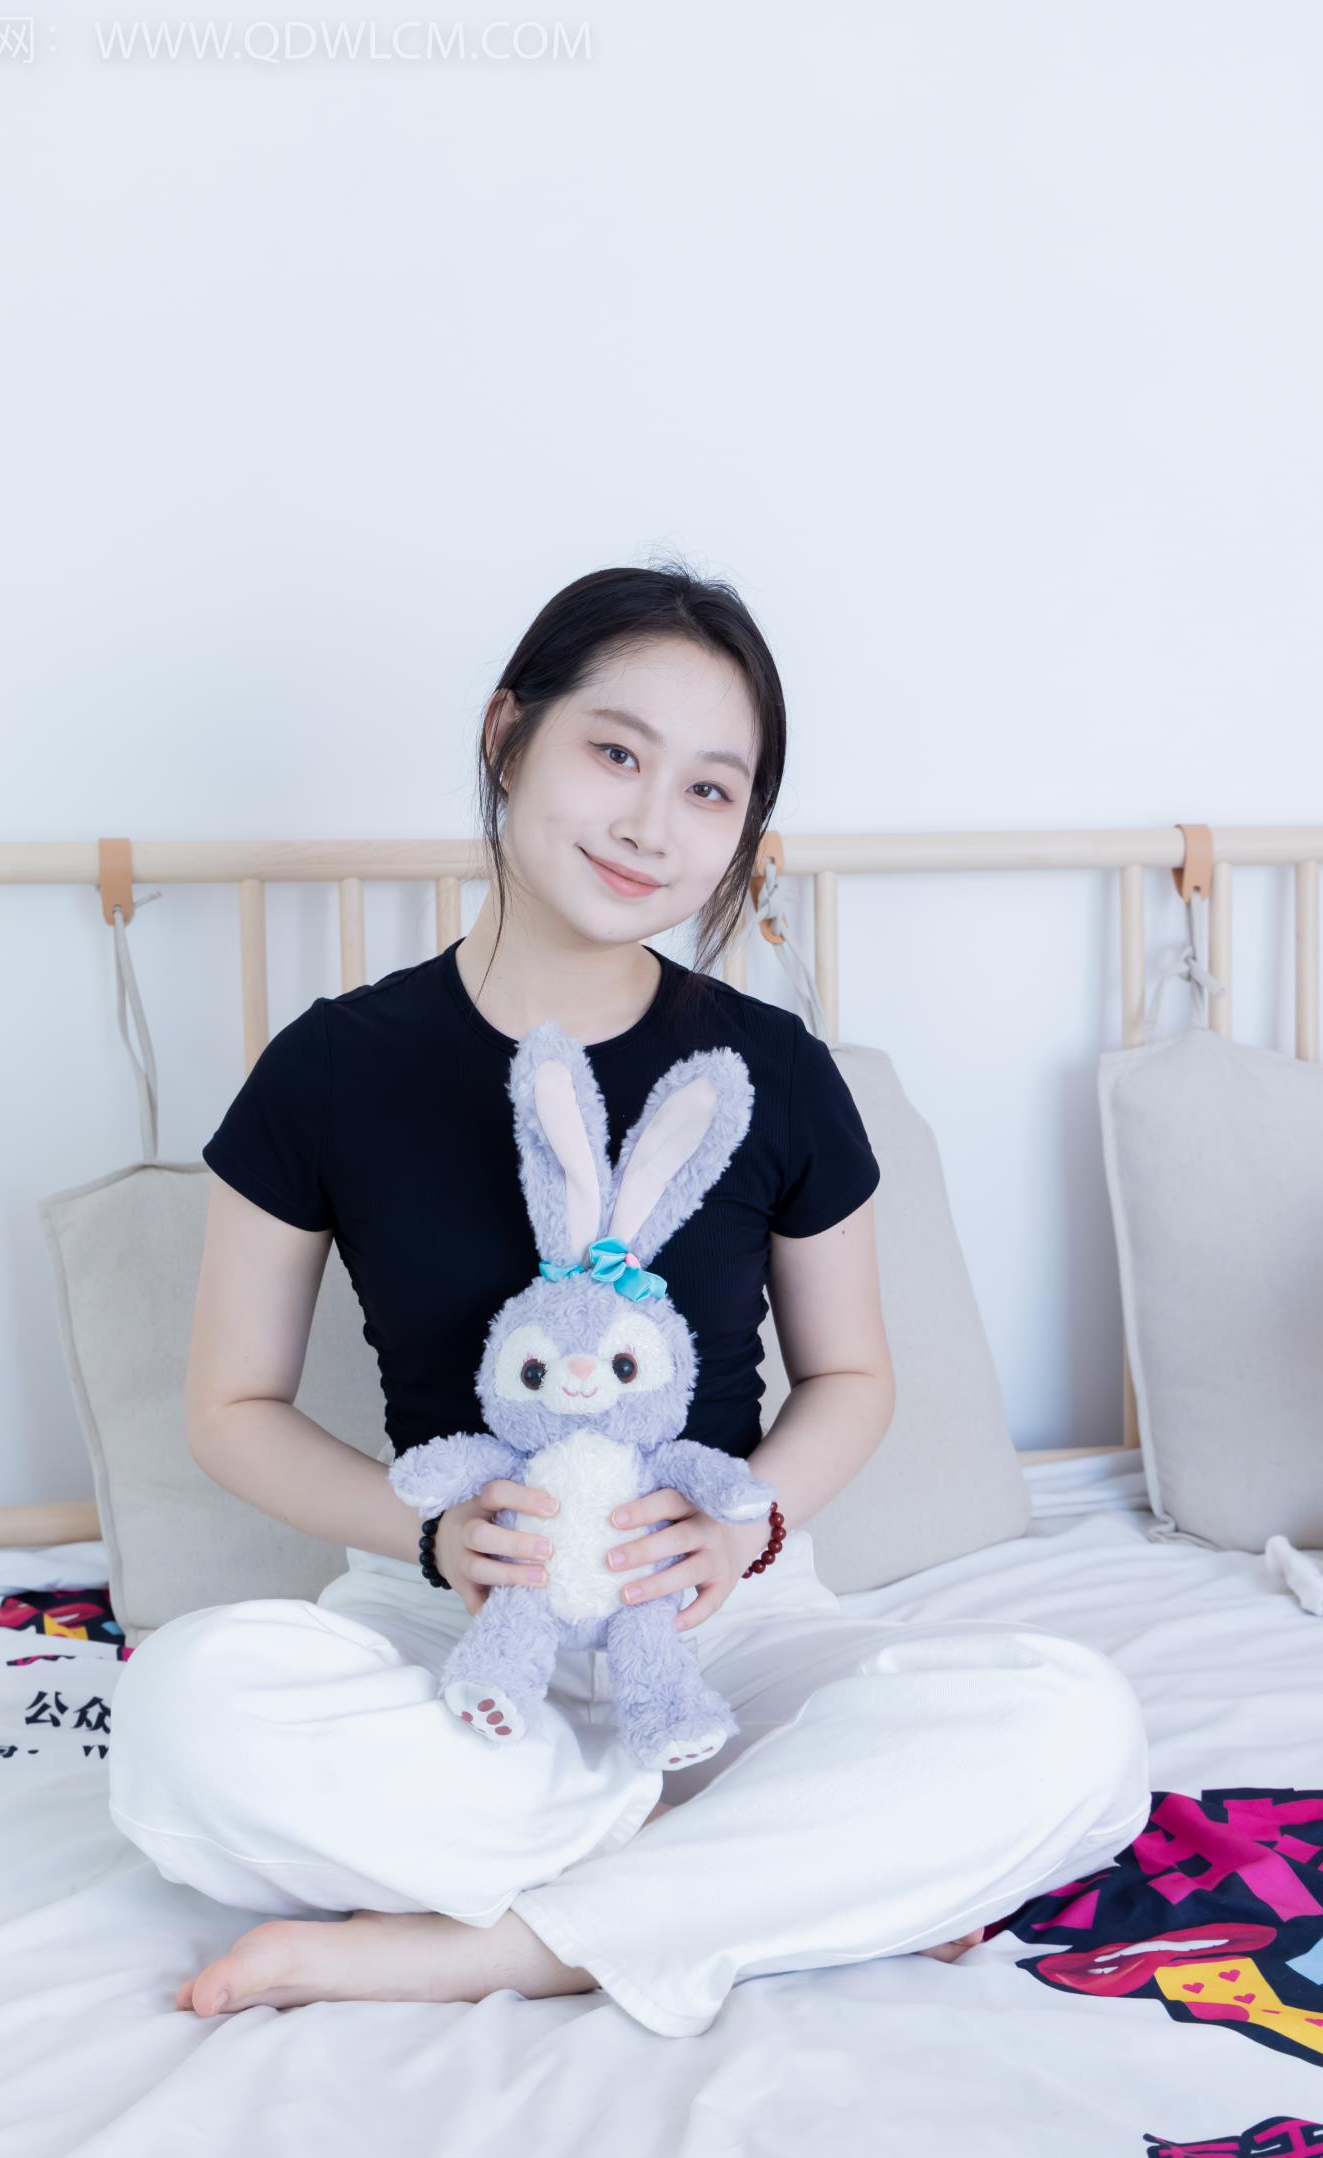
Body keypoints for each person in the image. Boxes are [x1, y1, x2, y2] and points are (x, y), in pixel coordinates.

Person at [106, 561, 1151, 2038]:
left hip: (720, 1623)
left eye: (711, 789)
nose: (654, 824)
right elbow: (230, 1406)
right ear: (507, 735)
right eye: (615, 752)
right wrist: (432, 1536)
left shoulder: (772, 1071)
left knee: (1075, 1729)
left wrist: (744, 1529)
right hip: (454, 1623)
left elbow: (852, 1378)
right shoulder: (331, 1067)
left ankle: (496, 1941)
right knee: (180, 1722)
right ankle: (751, 1867)